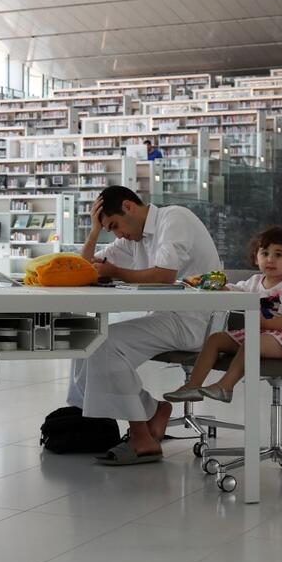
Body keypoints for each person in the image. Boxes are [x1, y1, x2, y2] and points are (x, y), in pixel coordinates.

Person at [68, 185, 222, 465]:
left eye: (114, 226)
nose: (118, 235)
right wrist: (94, 231)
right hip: (166, 317)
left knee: (104, 344)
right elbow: (83, 267)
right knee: (88, 340)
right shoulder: (133, 238)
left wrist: (115, 272)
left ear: (128, 206)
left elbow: (164, 275)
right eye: (109, 231)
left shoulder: (174, 218)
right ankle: (153, 412)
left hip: (197, 321)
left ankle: (141, 435)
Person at [163, 226, 282, 404]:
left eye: (278, 255)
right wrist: (215, 285)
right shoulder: (255, 282)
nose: (270, 259)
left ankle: (225, 386)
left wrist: (267, 324)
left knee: (251, 342)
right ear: (256, 257)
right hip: (259, 332)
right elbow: (235, 290)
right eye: (265, 253)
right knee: (216, 339)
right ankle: (192, 386)